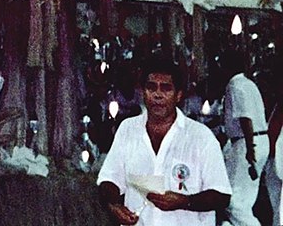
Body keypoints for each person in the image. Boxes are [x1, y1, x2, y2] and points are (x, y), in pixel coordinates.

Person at [98, 54, 230, 225]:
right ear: (143, 92)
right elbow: (109, 179)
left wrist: (185, 202)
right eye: (151, 88)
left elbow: (221, 196)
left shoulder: (201, 137)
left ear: (179, 95)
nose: (157, 95)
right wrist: (114, 204)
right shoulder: (127, 130)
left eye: (166, 88)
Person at [220, 49, 269, 226]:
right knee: (245, 200)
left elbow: (245, 117)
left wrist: (250, 149)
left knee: (234, 202)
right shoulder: (249, 84)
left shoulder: (235, 85)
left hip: (247, 142)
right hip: (260, 139)